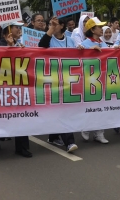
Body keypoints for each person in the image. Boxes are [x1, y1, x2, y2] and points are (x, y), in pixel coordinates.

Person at [38, 17, 79, 153]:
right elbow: (41, 46)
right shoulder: (49, 39)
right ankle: (69, 142)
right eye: (50, 24)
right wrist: (50, 29)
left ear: (62, 26)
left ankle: (53, 136)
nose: (52, 26)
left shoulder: (70, 40)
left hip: (67, 81)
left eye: (55, 25)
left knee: (61, 110)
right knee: (63, 111)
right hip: (53, 81)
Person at [0, 21, 33, 156]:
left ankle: (22, 147)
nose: (19, 29)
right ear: (7, 32)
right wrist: (9, 48)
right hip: (2, 87)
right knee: (0, 115)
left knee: (21, 116)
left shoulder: (21, 45)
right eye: (16, 27)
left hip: (18, 86)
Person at [79, 17, 110, 143]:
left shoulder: (103, 43)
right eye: (99, 27)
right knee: (90, 107)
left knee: (102, 107)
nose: (102, 29)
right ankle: (85, 128)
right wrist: (88, 51)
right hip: (89, 80)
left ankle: (99, 133)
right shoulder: (85, 44)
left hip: (103, 79)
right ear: (92, 29)